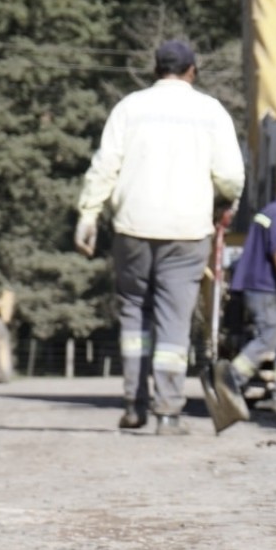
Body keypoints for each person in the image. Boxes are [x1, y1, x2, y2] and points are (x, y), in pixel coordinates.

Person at [76, 39, 246, 436]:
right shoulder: (210, 111)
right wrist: (228, 203)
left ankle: (134, 404)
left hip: (132, 227)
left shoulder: (129, 108)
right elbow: (231, 176)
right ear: (193, 70)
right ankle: (168, 412)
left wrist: (88, 215)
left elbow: (104, 166)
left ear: (156, 70)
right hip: (187, 232)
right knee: (174, 321)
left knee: (134, 313)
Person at [211, 179, 276, 430]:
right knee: (271, 333)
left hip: (267, 288)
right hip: (268, 289)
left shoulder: (269, 213)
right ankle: (230, 379)